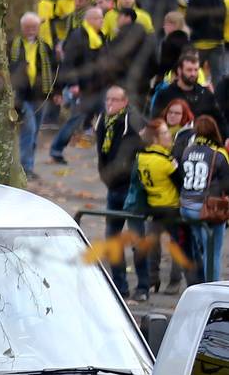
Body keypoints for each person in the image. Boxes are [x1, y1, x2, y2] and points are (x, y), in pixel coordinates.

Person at [94, 85, 148, 300]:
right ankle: (120, 286)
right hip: (112, 188)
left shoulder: (132, 121)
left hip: (130, 189)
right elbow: (101, 152)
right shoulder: (102, 122)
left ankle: (143, 286)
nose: (110, 104)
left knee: (137, 239)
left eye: (114, 100)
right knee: (112, 238)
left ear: (124, 102)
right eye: (108, 100)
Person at [134, 119, 183, 304]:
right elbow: (181, 182)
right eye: (164, 133)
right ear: (155, 138)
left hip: (152, 207)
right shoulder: (166, 161)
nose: (168, 135)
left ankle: (153, 278)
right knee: (177, 245)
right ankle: (175, 281)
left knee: (152, 244)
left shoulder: (141, 157)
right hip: (171, 208)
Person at [50, 7, 107, 163]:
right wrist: (74, 84)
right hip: (84, 87)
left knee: (106, 119)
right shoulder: (78, 36)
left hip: (100, 86)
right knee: (75, 120)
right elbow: (69, 63)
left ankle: (106, 152)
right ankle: (56, 150)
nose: (102, 21)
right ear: (89, 19)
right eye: (98, 18)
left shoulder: (100, 36)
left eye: (102, 18)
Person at [176, 115, 229, 284]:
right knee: (212, 253)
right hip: (207, 209)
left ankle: (198, 283)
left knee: (200, 249)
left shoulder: (187, 150)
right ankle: (211, 290)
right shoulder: (218, 154)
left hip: (186, 206)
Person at [10, 12, 56, 178]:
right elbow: (9, 69)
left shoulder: (44, 47)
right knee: (29, 130)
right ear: (22, 28)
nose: (30, 30)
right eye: (27, 27)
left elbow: (53, 68)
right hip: (21, 98)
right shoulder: (14, 45)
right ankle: (24, 168)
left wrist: (55, 92)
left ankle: (28, 165)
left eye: (34, 27)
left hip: (40, 97)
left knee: (35, 133)